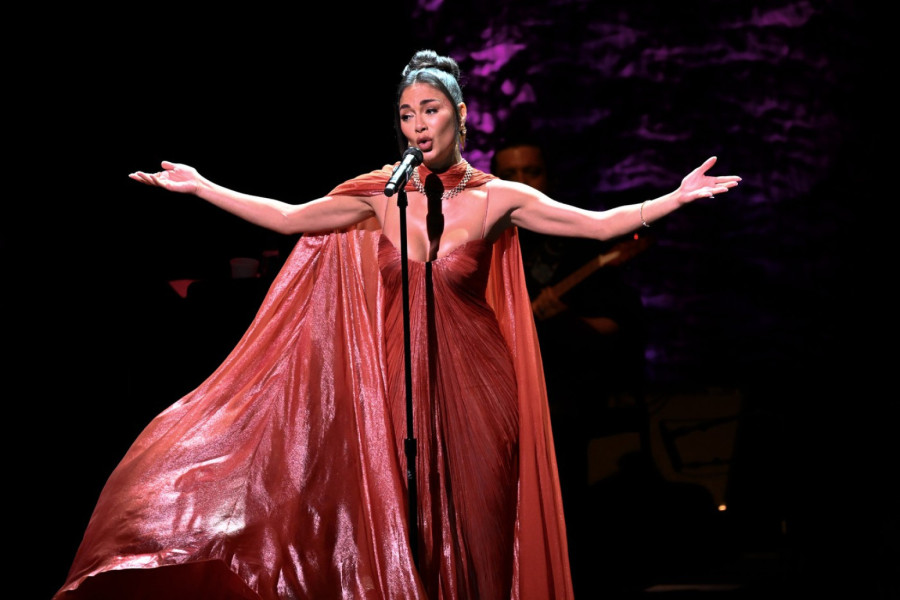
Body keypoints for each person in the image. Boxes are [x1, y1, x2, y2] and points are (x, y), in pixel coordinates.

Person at [53, 49, 740, 600]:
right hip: (396, 382)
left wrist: (673, 199)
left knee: (477, 527)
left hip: (477, 389)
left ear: (460, 116)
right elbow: (291, 218)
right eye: (407, 113)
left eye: (430, 110)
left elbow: (597, 225)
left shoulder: (497, 197)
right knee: (405, 524)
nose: (417, 125)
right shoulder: (382, 195)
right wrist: (203, 187)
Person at [491, 138, 653, 593]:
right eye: (509, 175)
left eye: (532, 172)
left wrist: (566, 320)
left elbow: (620, 329)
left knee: (566, 503)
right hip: (495, 396)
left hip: (564, 398)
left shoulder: (578, 241)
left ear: (549, 176)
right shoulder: (483, 239)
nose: (522, 184)